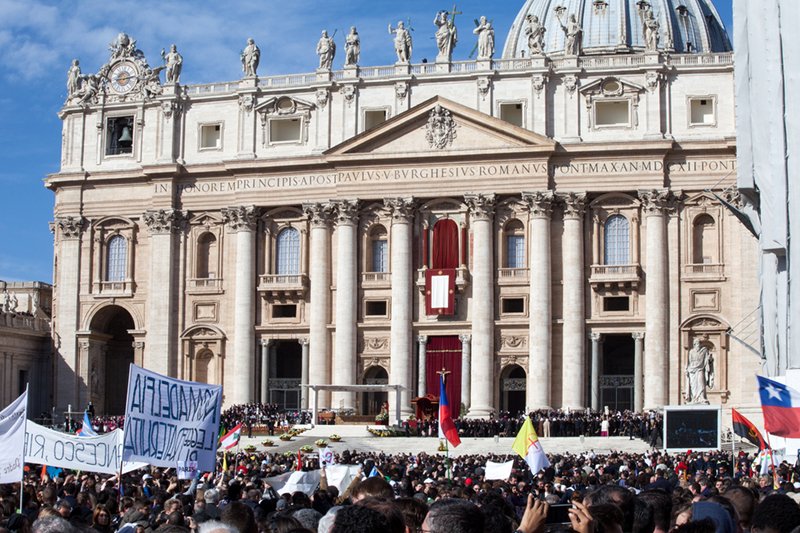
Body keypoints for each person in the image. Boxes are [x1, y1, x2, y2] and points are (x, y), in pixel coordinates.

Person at [685, 338, 713, 404]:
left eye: (699, 343)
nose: (698, 344)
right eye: (696, 343)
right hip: (692, 370)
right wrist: (687, 369)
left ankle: (701, 397)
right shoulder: (691, 352)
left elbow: (707, 360)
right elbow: (689, 361)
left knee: (701, 383)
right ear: (694, 344)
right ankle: (694, 398)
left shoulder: (704, 350)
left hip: (700, 369)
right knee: (693, 385)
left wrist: (709, 359)